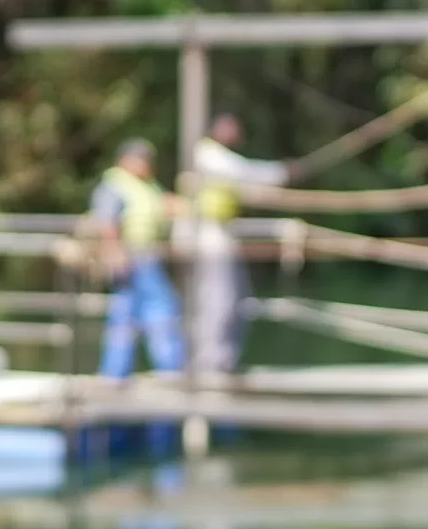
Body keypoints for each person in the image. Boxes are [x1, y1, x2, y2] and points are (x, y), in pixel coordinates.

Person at [188, 111, 289, 377]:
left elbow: (246, 182)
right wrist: (281, 172)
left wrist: (278, 178)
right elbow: (242, 172)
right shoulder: (208, 155)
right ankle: (210, 360)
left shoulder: (217, 159)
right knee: (218, 298)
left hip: (224, 234)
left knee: (237, 298)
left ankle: (225, 358)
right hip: (210, 235)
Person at [91, 137, 187, 379]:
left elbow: (166, 206)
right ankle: (161, 369)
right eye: (141, 158)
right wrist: (114, 252)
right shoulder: (115, 185)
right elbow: (106, 223)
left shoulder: (146, 185)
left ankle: (125, 373)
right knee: (156, 310)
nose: (146, 163)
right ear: (125, 160)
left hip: (147, 256)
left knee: (131, 314)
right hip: (132, 257)